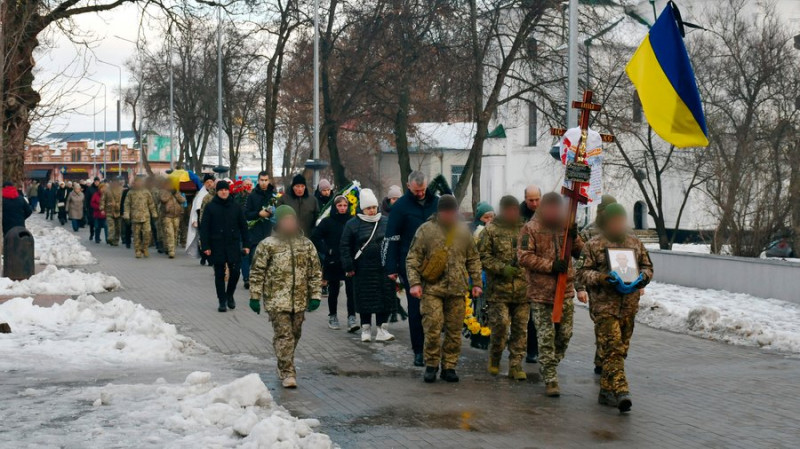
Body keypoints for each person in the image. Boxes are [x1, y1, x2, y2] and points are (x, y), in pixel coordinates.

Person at [577, 203, 653, 413]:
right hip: (604, 307)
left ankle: (605, 390)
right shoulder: (593, 244)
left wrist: (641, 279)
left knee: (622, 349)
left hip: (628, 305)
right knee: (613, 350)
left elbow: (648, 267)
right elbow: (582, 273)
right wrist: (603, 278)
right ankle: (621, 391)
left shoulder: (634, 243)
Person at [406, 194, 483, 383]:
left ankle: (449, 366)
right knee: (432, 327)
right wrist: (415, 283)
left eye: (452, 212)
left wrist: (477, 283)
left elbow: (473, 258)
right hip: (432, 289)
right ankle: (431, 364)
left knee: (454, 331)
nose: (449, 215)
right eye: (446, 212)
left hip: (457, 290)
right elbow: (412, 259)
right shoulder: (426, 231)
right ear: (439, 212)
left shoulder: (463, 232)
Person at [517, 192, 586, 397]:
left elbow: (581, 251)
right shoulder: (531, 228)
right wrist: (551, 266)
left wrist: (574, 235)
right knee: (546, 337)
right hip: (541, 292)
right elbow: (524, 257)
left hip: (564, 292)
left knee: (564, 335)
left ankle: (550, 364)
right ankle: (550, 377)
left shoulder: (565, 226)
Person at [248, 205, 322, 389]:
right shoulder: (268, 245)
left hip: (299, 300)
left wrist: (315, 296)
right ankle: (288, 372)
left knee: (295, 334)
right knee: (284, 336)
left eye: (292, 219)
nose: (289, 223)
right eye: (285, 220)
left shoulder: (306, 244)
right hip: (276, 300)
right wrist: (255, 296)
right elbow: (257, 271)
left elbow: (315, 272)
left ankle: (283, 362)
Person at [384, 171, 439, 367]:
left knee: (437, 310)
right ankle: (419, 350)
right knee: (416, 309)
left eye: (423, 190)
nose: (421, 194)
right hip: (410, 263)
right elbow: (391, 237)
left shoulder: (437, 202)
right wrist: (391, 267)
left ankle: (434, 348)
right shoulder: (400, 207)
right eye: (416, 191)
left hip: (437, 263)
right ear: (408, 187)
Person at [478, 196, 529, 380]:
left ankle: (516, 364)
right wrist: (502, 268)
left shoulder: (526, 230)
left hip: (523, 291)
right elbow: (482, 256)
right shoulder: (491, 230)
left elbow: (534, 253)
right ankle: (495, 357)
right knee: (500, 327)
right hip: (499, 291)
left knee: (520, 330)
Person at [341, 189, 397, 342]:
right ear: (362, 208)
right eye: (369, 208)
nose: (372, 211)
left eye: (374, 207)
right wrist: (349, 267)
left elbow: (393, 242)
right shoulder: (353, 224)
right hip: (362, 269)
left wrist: (394, 264)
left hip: (383, 268)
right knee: (365, 299)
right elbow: (345, 246)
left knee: (384, 298)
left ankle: (382, 329)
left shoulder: (385, 221)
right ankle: (365, 329)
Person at [577, 194, 616, 375]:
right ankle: (603, 361)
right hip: (598, 289)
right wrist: (581, 288)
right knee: (603, 325)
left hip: (621, 289)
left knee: (618, 328)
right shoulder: (589, 232)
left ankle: (608, 358)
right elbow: (580, 263)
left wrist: (639, 284)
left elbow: (636, 257)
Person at [199, 180, 250, 312]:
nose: (224, 192)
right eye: (221, 189)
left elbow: (244, 227)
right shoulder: (211, 207)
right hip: (217, 244)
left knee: (235, 272)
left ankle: (230, 295)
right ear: (217, 191)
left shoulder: (236, 207)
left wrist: (246, 244)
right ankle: (222, 301)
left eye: (226, 189)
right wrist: (205, 246)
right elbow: (204, 228)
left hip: (233, 244)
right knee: (220, 274)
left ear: (229, 191)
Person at [312, 195, 356, 332]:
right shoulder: (327, 222)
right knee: (334, 290)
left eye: (345, 205)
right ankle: (333, 316)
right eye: (339, 205)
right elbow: (315, 237)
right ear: (335, 206)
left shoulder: (352, 221)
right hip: (333, 260)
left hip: (349, 260)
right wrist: (327, 250)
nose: (342, 208)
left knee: (351, 290)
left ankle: (352, 317)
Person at [242, 171, 277, 289]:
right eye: (262, 180)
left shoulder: (273, 195)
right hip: (255, 231)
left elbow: (279, 212)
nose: (264, 182)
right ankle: (254, 279)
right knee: (255, 257)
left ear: (269, 181)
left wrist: (272, 214)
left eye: (266, 180)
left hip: (269, 231)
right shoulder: (252, 195)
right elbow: (246, 214)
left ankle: (267, 280)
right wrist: (259, 214)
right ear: (258, 181)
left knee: (269, 257)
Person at [520, 184, 541, 364]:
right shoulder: (519, 217)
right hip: (521, 273)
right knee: (525, 316)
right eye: (531, 200)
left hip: (541, 272)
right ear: (525, 199)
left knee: (539, 315)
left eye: (537, 199)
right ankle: (527, 349)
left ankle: (537, 349)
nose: (534, 203)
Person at [123, 176, 158, 258]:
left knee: (147, 233)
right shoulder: (130, 193)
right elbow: (127, 205)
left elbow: (151, 204)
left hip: (146, 217)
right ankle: (137, 251)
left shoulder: (146, 192)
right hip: (135, 218)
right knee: (136, 236)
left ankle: (144, 248)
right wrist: (126, 215)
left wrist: (154, 214)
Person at [187, 173, 215, 262]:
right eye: (207, 182)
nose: (209, 184)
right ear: (204, 183)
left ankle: (210, 258)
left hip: (213, 220)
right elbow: (196, 209)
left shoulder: (216, 194)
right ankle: (203, 256)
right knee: (202, 238)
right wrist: (195, 220)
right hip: (201, 220)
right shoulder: (200, 195)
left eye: (211, 182)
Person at [158, 178, 185, 258]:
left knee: (175, 233)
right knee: (169, 233)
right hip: (167, 216)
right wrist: (170, 193)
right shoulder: (162, 191)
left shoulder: (176, 191)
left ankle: (167, 247)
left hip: (176, 216)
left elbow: (183, 200)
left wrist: (176, 193)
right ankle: (171, 251)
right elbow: (163, 199)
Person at [103, 178, 124, 246]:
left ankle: (116, 240)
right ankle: (110, 238)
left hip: (118, 211)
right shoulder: (107, 191)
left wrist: (119, 205)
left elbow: (124, 200)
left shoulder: (121, 190)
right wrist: (102, 208)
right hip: (109, 210)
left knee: (118, 227)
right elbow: (103, 200)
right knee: (111, 225)